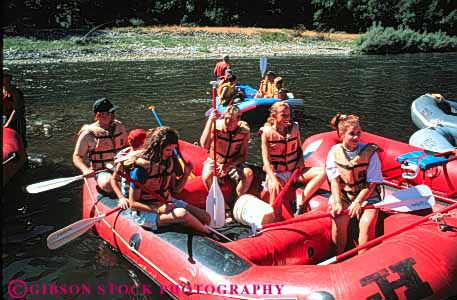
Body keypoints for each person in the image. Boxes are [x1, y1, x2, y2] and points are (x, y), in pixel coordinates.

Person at [128, 126, 211, 235]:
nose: (171, 153)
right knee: (182, 214)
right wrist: (158, 209)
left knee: (206, 217)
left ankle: (201, 228)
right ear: (158, 147)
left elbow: (176, 189)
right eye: (168, 150)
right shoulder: (141, 170)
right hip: (146, 212)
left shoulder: (168, 161)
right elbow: (133, 204)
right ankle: (208, 233)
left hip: (168, 203)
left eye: (173, 150)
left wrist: (186, 174)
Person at [326, 113, 383, 255]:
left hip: (368, 196)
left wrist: (358, 202)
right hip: (344, 195)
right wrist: (338, 202)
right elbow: (334, 180)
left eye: (358, 133)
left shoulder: (370, 153)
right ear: (341, 134)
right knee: (338, 220)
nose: (356, 137)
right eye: (352, 134)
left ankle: (361, 260)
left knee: (366, 224)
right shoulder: (334, 152)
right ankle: (338, 256)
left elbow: (372, 183)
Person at [260, 102, 326, 219]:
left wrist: (300, 160)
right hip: (277, 173)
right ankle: (275, 220)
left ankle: (301, 203)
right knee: (275, 189)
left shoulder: (294, 128)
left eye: (289, 115)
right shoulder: (266, 133)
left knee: (323, 172)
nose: (287, 118)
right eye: (284, 115)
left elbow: (299, 148)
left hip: (294, 172)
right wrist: (274, 179)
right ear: (274, 116)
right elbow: (266, 160)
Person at [73, 98, 127, 193]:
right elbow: (77, 156)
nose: (113, 115)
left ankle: (127, 187)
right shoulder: (88, 134)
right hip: (103, 171)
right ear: (99, 115)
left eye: (113, 112)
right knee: (106, 183)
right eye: (110, 113)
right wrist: (85, 169)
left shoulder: (120, 126)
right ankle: (126, 188)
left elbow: (126, 146)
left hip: (122, 166)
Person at [200, 106, 253, 202]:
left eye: (232, 120)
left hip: (233, 162)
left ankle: (237, 202)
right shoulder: (216, 127)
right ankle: (223, 206)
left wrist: (228, 166)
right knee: (207, 177)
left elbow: (243, 156)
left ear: (238, 120)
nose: (228, 122)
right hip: (215, 161)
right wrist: (210, 121)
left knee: (248, 174)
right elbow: (204, 145)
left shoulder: (244, 132)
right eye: (226, 118)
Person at [111, 128, 148, 209]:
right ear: (144, 143)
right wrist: (121, 198)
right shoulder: (124, 158)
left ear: (129, 141)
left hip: (145, 191)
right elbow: (114, 179)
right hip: (129, 193)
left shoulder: (148, 154)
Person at [3, 68, 27, 147]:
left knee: (19, 139)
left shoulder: (15, 92)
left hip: (17, 120)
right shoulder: (3, 91)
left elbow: (16, 110)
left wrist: (7, 123)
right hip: (6, 117)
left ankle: (22, 156)